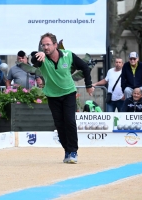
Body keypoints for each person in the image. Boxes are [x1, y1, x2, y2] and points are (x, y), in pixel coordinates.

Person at [31, 32, 94, 164]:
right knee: (59, 124)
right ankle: (67, 150)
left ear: (55, 45)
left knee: (70, 122)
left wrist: (88, 85)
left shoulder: (68, 55)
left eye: (48, 44)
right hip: (52, 96)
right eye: (43, 45)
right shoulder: (41, 59)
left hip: (69, 94)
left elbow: (84, 67)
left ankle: (73, 151)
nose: (46, 47)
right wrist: (38, 55)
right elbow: (33, 60)